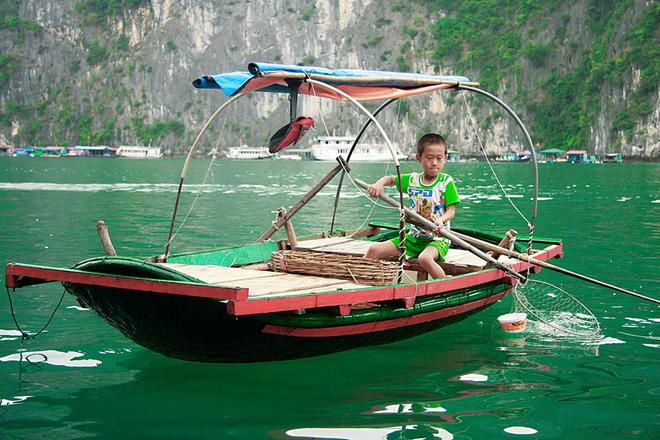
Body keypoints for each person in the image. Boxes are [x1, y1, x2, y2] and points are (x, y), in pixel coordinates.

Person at [364, 133, 460, 279]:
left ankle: (446, 287)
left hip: (437, 240)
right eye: (429, 158)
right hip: (412, 238)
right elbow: (389, 179)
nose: (434, 163)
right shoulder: (412, 180)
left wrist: (441, 220)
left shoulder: (446, 182)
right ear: (419, 158)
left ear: (445, 159)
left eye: (439, 158)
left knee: (425, 259)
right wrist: (379, 184)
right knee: (373, 249)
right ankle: (364, 282)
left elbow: (451, 211)